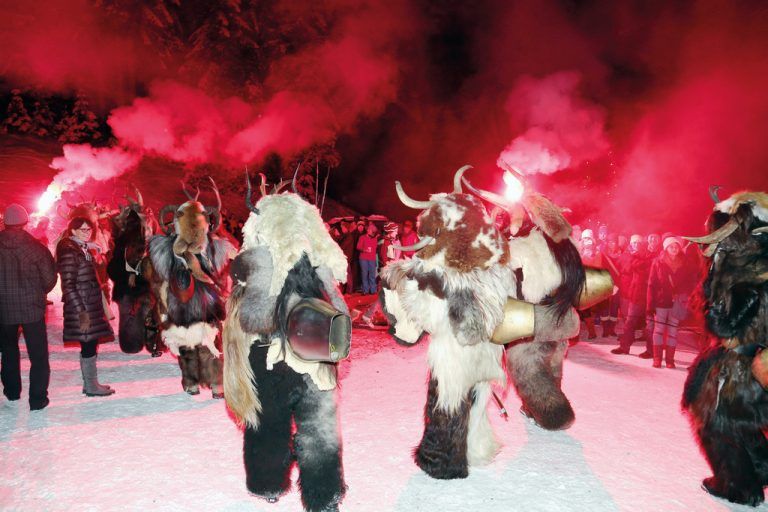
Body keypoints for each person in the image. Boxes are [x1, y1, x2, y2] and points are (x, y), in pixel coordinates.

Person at [0, 204, 57, 410]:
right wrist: (38, 291)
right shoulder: (35, 248)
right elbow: (50, 279)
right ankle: (38, 399)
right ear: (24, 222)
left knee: (8, 350)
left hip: (3, 309)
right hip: (32, 308)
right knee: (38, 355)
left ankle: (12, 391)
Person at [57, 217, 115, 397]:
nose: (87, 233)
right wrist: (81, 311)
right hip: (82, 307)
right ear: (72, 231)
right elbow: (68, 285)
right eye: (82, 230)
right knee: (88, 344)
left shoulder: (81, 248)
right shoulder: (69, 251)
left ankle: (91, 383)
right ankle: (91, 386)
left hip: (89, 305)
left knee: (90, 344)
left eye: (89, 229)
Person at [646, 236, 688, 368]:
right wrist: (650, 305)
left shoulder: (685, 263)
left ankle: (670, 360)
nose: (674, 249)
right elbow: (651, 284)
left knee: (673, 331)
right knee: (658, 330)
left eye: (676, 246)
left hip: (676, 303)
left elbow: (688, 283)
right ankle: (657, 358)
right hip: (661, 301)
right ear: (666, 248)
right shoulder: (658, 262)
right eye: (671, 246)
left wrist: (682, 294)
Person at [612, 234, 653, 356]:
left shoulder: (648, 257)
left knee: (650, 323)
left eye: (639, 243)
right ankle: (624, 347)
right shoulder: (629, 256)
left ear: (643, 245)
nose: (636, 245)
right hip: (635, 295)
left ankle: (650, 351)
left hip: (649, 295)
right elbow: (622, 269)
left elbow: (644, 269)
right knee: (630, 322)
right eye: (634, 243)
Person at [356, 222, 379, 295]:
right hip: (363, 259)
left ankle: (373, 290)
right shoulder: (362, 237)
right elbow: (358, 247)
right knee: (364, 274)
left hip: (372, 259)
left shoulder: (374, 239)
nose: (370, 230)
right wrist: (364, 250)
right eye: (369, 229)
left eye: (371, 230)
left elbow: (375, 249)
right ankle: (365, 290)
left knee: (372, 275)